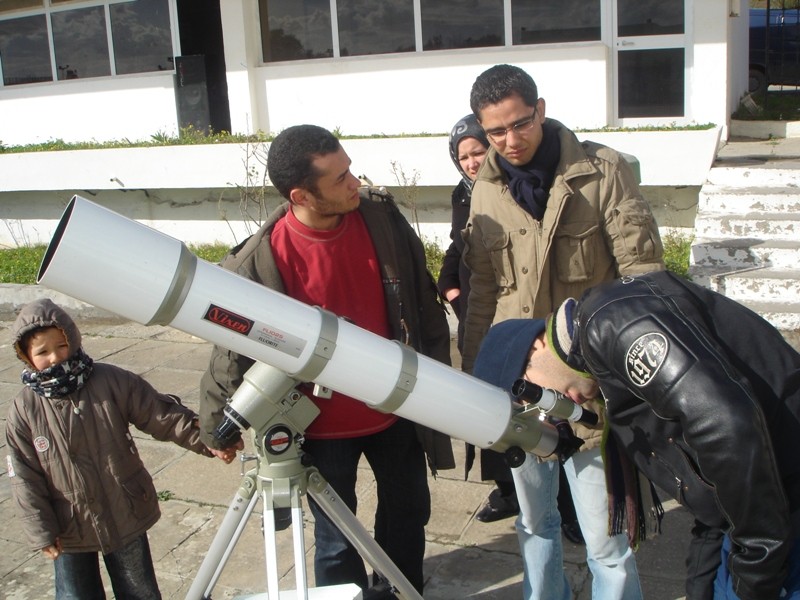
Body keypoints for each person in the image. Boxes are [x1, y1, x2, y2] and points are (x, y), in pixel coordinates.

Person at [199, 124, 454, 596]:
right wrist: (216, 422)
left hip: (396, 410)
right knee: (336, 539)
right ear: (302, 195)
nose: (354, 182)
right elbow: (230, 347)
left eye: (350, 169)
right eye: (339, 179)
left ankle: (401, 592)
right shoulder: (262, 260)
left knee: (408, 514)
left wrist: (440, 382)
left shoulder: (381, 221)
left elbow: (422, 300)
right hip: (320, 427)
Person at [461, 63, 664, 599]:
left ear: (541, 110)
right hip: (519, 387)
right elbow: (483, 291)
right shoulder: (485, 189)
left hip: (590, 386)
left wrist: (618, 374)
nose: (510, 140)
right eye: (495, 132)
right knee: (533, 523)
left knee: (607, 541)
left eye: (519, 124)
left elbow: (642, 280)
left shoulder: (603, 172)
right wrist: (476, 375)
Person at [472, 270, 800, 600]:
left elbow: (727, 427)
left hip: (777, 504)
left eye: (533, 393)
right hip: (750, 510)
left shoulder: (613, 326)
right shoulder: (607, 372)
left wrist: (758, 569)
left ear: (537, 344)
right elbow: (701, 470)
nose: (550, 408)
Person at [4, 298, 233, 600]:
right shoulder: (25, 409)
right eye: (42, 352)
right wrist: (41, 530)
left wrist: (209, 440)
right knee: (75, 594)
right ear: (27, 356)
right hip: (68, 525)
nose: (55, 357)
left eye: (61, 346)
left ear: (72, 339)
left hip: (124, 510)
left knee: (139, 590)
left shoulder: (110, 381)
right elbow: (24, 476)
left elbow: (160, 415)